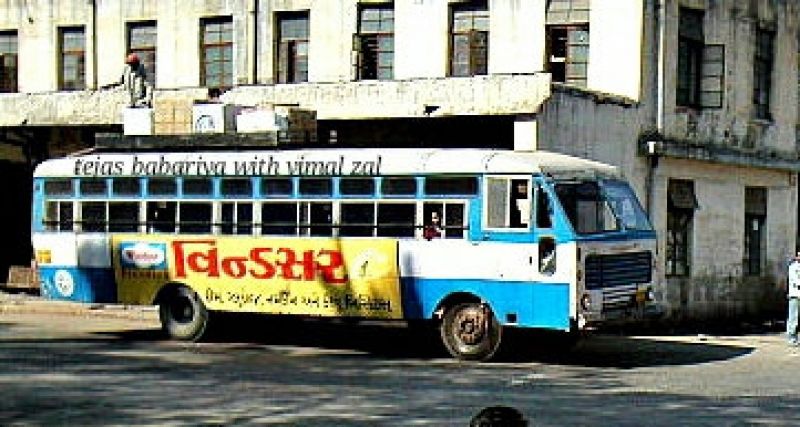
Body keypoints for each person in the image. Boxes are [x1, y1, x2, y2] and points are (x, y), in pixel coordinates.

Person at [787, 251, 800, 346]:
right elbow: (796, 281)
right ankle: (792, 337)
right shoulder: (793, 267)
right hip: (795, 295)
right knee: (793, 317)